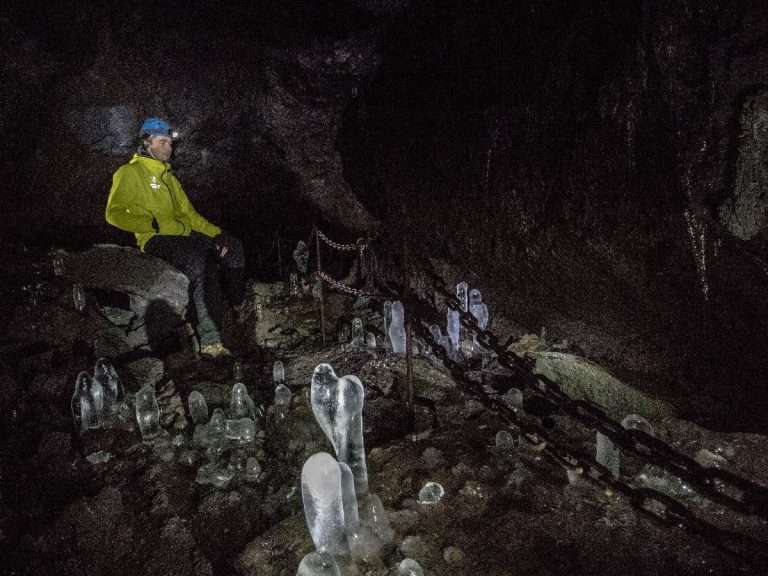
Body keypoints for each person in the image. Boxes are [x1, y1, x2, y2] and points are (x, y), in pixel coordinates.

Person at [105, 117, 245, 357]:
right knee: (199, 261)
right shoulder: (129, 172)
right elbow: (113, 214)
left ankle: (237, 307)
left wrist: (217, 234)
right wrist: (150, 223)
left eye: (170, 143)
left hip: (185, 234)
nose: (168, 147)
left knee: (233, 246)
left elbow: (190, 215)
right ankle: (211, 341)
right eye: (162, 142)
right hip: (155, 239)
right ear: (147, 142)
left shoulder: (170, 179)